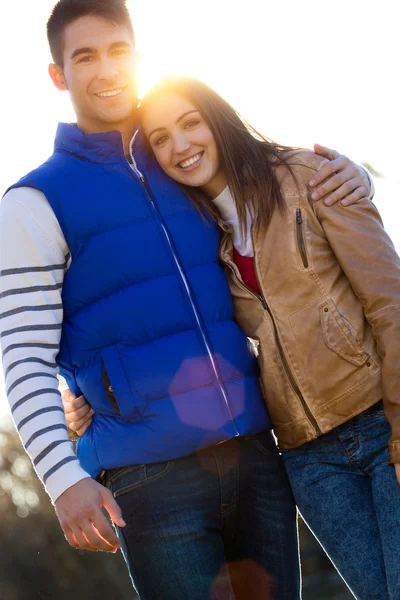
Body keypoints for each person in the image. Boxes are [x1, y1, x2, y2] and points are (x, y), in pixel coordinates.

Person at [0, 1, 374, 598]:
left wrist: (354, 177)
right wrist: (61, 477)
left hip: (258, 461)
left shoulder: (187, 161)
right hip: (151, 482)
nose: (107, 70)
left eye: (119, 50)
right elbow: (22, 351)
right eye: (85, 57)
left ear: (140, 57)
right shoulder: (33, 202)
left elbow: (277, 192)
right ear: (57, 75)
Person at [69, 75, 400, 599]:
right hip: (309, 458)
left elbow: (391, 307)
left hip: (383, 422)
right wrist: (91, 393)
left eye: (189, 123)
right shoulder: (202, 239)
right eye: (160, 138)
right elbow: (163, 329)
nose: (180, 146)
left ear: (216, 120)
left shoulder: (311, 179)